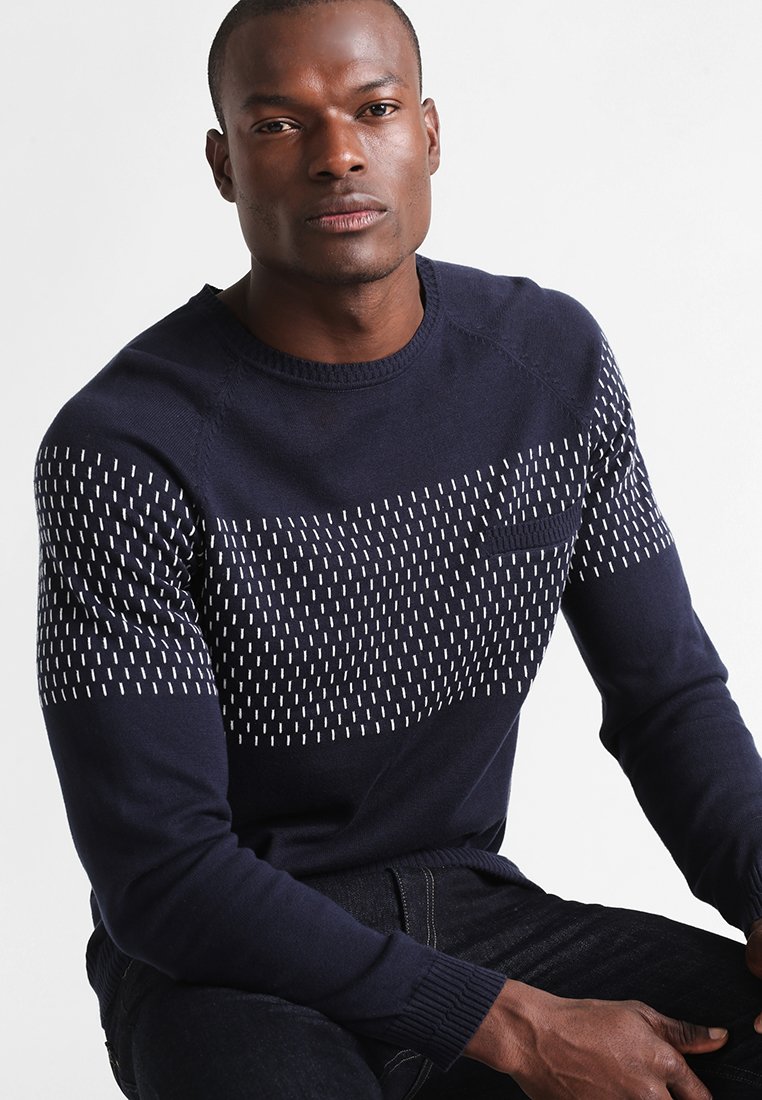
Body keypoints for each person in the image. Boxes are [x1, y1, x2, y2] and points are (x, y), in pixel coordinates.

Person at [34, 1, 762, 1097]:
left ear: (427, 133)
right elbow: (164, 873)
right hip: (225, 968)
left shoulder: (550, 367)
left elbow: (668, 698)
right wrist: (514, 1029)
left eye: (372, 110)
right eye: (280, 125)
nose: (337, 155)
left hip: (471, 911)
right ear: (224, 165)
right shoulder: (125, 450)